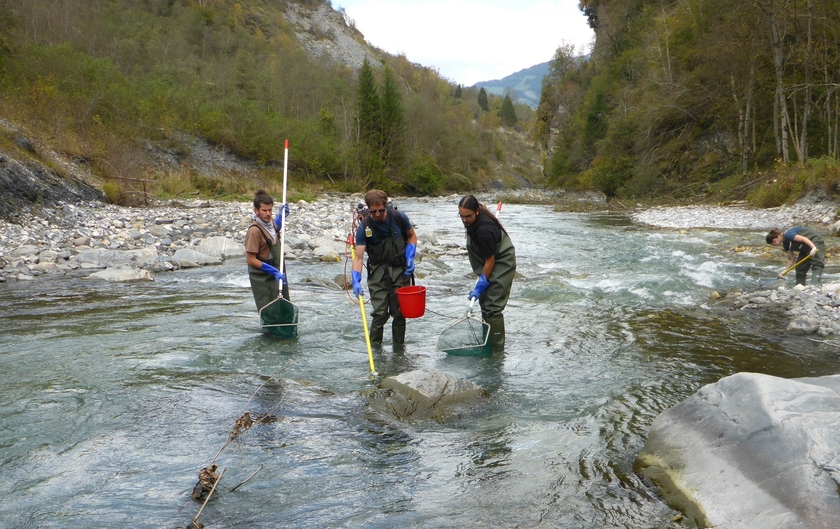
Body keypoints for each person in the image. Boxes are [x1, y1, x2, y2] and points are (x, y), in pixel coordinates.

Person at [351, 189, 417, 344]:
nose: (378, 214)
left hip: (400, 270)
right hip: (377, 272)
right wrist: (356, 279)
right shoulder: (364, 227)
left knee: (399, 312)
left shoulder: (399, 218)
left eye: (381, 210)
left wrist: (410, 257)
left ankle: (399, 351)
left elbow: (412, 236)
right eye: (373, 211)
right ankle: (375, 349)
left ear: (386, 206)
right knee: (380, 313)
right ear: (367, 208)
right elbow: (359, 257)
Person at [458, 195, 516, 349]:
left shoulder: (484, 231)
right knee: (485, 303)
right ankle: (487, 342)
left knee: (492, 307)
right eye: (461, 216)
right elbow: (482, 205)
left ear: (476, 212)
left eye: (468, 216)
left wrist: (481, 283)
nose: (464, 220)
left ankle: (496, 350)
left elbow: (490, 261)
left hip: (501, 261)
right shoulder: (478, 212)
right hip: (490, 259)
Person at [245, 190, 291, 311]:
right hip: (263, 278)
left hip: (276, 273)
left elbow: (273, 232)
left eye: (270, 210)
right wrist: (272, 271)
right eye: (264, 211)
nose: (268, 214)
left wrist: (281, 217)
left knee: (283, 305)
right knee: (270, 309)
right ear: (256, 211)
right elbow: (250, 259)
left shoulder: (270, 224)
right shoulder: (254, 232)